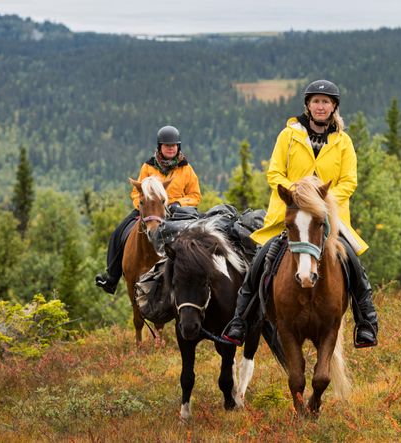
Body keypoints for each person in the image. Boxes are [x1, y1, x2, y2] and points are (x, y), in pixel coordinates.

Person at [220, 79, 379, 348]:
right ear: (307, 105)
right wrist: (299, 197)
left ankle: (367, 321)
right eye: (316, 101)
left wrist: (322, 203)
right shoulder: (288, 136)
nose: (320, 106)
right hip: (291, 215)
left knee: (352, 261)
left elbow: (349, 181)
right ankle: (239, 320)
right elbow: (275, 174)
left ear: (333, 107)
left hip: (328, 218)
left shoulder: (343, 142)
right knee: (261, 260)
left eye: (325, 102)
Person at [94, 125, 201, 294]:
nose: (171, 148)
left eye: (174, 145)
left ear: (178, 147)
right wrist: (142, 207)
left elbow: (195, 195)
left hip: (178, 213)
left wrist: (178, 203)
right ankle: (111, 277)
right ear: (160, 147)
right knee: (118, 233)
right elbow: (136, 193)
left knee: (201, 235)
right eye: (167, 145)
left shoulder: (186, 169)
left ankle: (201, 274)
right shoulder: (148, 167)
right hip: (149, 211)